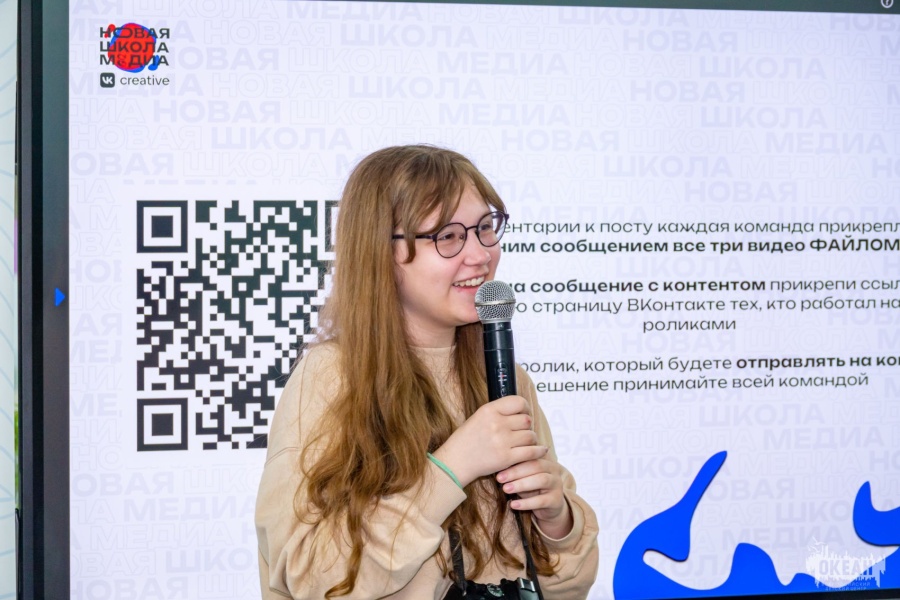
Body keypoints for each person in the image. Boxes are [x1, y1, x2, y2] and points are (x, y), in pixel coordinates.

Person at [256, 145, 599, 599]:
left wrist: (557, 522)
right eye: (448, 236)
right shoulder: (331, 377)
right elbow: (313, 579)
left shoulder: (506, 378)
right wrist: (451, 469)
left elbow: (564, 588)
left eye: (485, 228)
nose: (480, 254)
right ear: (382, 252)